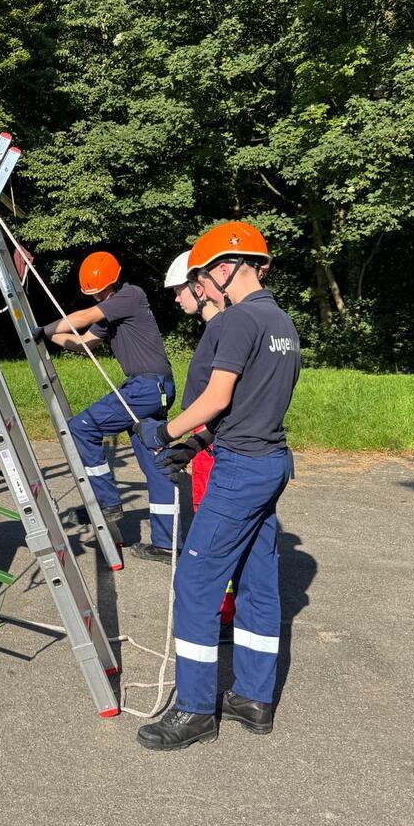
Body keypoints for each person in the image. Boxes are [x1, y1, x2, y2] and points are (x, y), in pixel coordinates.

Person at [134, 222, 301, 750]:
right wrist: (194, 442)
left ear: (227, 268)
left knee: (196, 584)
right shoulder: (282, 323)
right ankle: (253, 699)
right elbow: (250, 404)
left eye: (204, 277)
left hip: (239, 469)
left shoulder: (237, 321)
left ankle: (194, 709)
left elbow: (216, 399)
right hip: (271, 460)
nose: (202, 287)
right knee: (257, 582)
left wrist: (165, 431)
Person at [40, 251, 177, 561]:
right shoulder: (113, 312)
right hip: (152, 388)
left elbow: (85, 317)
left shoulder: (130, 295)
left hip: (146, 386)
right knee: (156, 463)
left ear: (113, 282)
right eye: (94, 293)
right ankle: (166, 543)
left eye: (100, 291)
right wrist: (48, 337)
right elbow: (84, 341)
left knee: (82, 427)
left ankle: (106, 502)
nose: (98, 296)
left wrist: (47, 327)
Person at [158, 250, 235, 627]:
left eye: (178, 291)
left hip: (215, 448)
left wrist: (174, 436)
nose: (176, 299)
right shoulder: (215, 330)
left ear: (199, 287)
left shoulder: (224, 329)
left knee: (213, 533)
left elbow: (220, 401)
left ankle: (219, 613)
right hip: (205, 444)